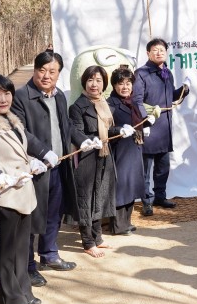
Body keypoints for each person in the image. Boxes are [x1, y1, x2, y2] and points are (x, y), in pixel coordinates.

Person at [0, 74, 46, 304]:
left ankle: (24, 291)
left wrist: (32, 161)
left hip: (24, 192)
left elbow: (20, 153)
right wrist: (9, 173)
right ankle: (9, 298)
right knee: (6, 250)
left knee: (22, 248)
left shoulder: (13, 120)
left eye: (7, 93)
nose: (3, 99)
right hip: (5, 195)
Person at [10, 50, 78, 289]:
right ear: (35, 70)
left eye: (52, 71)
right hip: (35, 168)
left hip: (58, 166)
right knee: (31, 216)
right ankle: (28, 266)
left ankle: (49, 254)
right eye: (42, 70)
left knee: (53, 213)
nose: (47, 76)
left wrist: (84, 140)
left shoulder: (59, 97)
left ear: (59, 74)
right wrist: (41, 152)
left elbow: (67, 126)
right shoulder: (21, 97)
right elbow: (20, 132)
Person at [69, 65, 135, 256]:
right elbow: (76, 131)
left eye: (98, 80)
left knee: (100, 197)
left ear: (104, 84)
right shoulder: (77, 107)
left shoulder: (103, 103)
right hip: (87, 157)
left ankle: (97, 237)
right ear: (84, 82)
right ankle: (88, 242)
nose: (94, 84)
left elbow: (107, 130)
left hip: (104, 156)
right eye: (90, 80)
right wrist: (88, 141)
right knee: (86, 198)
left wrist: (120, 130)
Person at [132, 38, 190, 215]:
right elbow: (136, 100)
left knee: (163, 167)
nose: (159, 53)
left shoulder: (167, 72)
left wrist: (184, 90)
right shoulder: (141, 73)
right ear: (148, 53)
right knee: (145, 169)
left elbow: (170, 97)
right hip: (149, 127)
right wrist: (144, 120)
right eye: (155, 50)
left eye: (162, 50)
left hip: (164, 127)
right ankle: (147, 201)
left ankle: (160, 196)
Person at [107, 67, 147, 234]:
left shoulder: (133, 102)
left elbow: (138, 121)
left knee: (131, 186)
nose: (125, 87)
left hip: (134, 148)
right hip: (120, 151)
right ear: (114, 85)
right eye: (121, 83)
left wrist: (145, 125)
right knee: (121, 188)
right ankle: (118, 226)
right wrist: (119, 130)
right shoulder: (110, 104)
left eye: (128, 83)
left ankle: (126, 222)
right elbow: (104, 129)